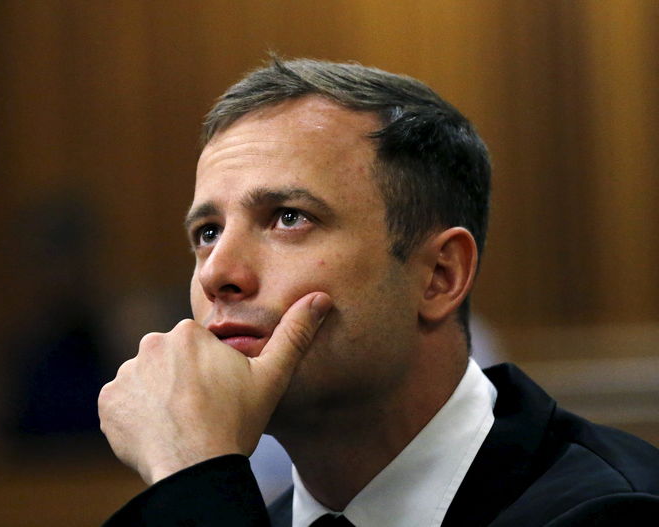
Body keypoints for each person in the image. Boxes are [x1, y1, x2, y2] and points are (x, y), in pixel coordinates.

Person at [97, 58, 659, 526]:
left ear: (439, 276)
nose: (217, 272)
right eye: (208, 232)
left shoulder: (612, 510)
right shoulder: (235, 514)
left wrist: (191, 474)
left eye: (289, 217)